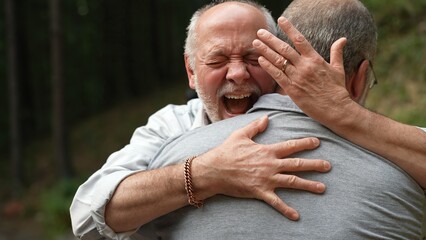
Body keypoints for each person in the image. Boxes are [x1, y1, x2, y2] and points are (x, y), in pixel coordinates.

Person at [70, 0, 426, 239]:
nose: (238, 74)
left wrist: (345, 115)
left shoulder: (382, 139)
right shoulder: (170, 131)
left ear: (282, 60)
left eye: (255, 58)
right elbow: (86, 217)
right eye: (217, 60)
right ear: (191, 72)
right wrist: (204, 174)